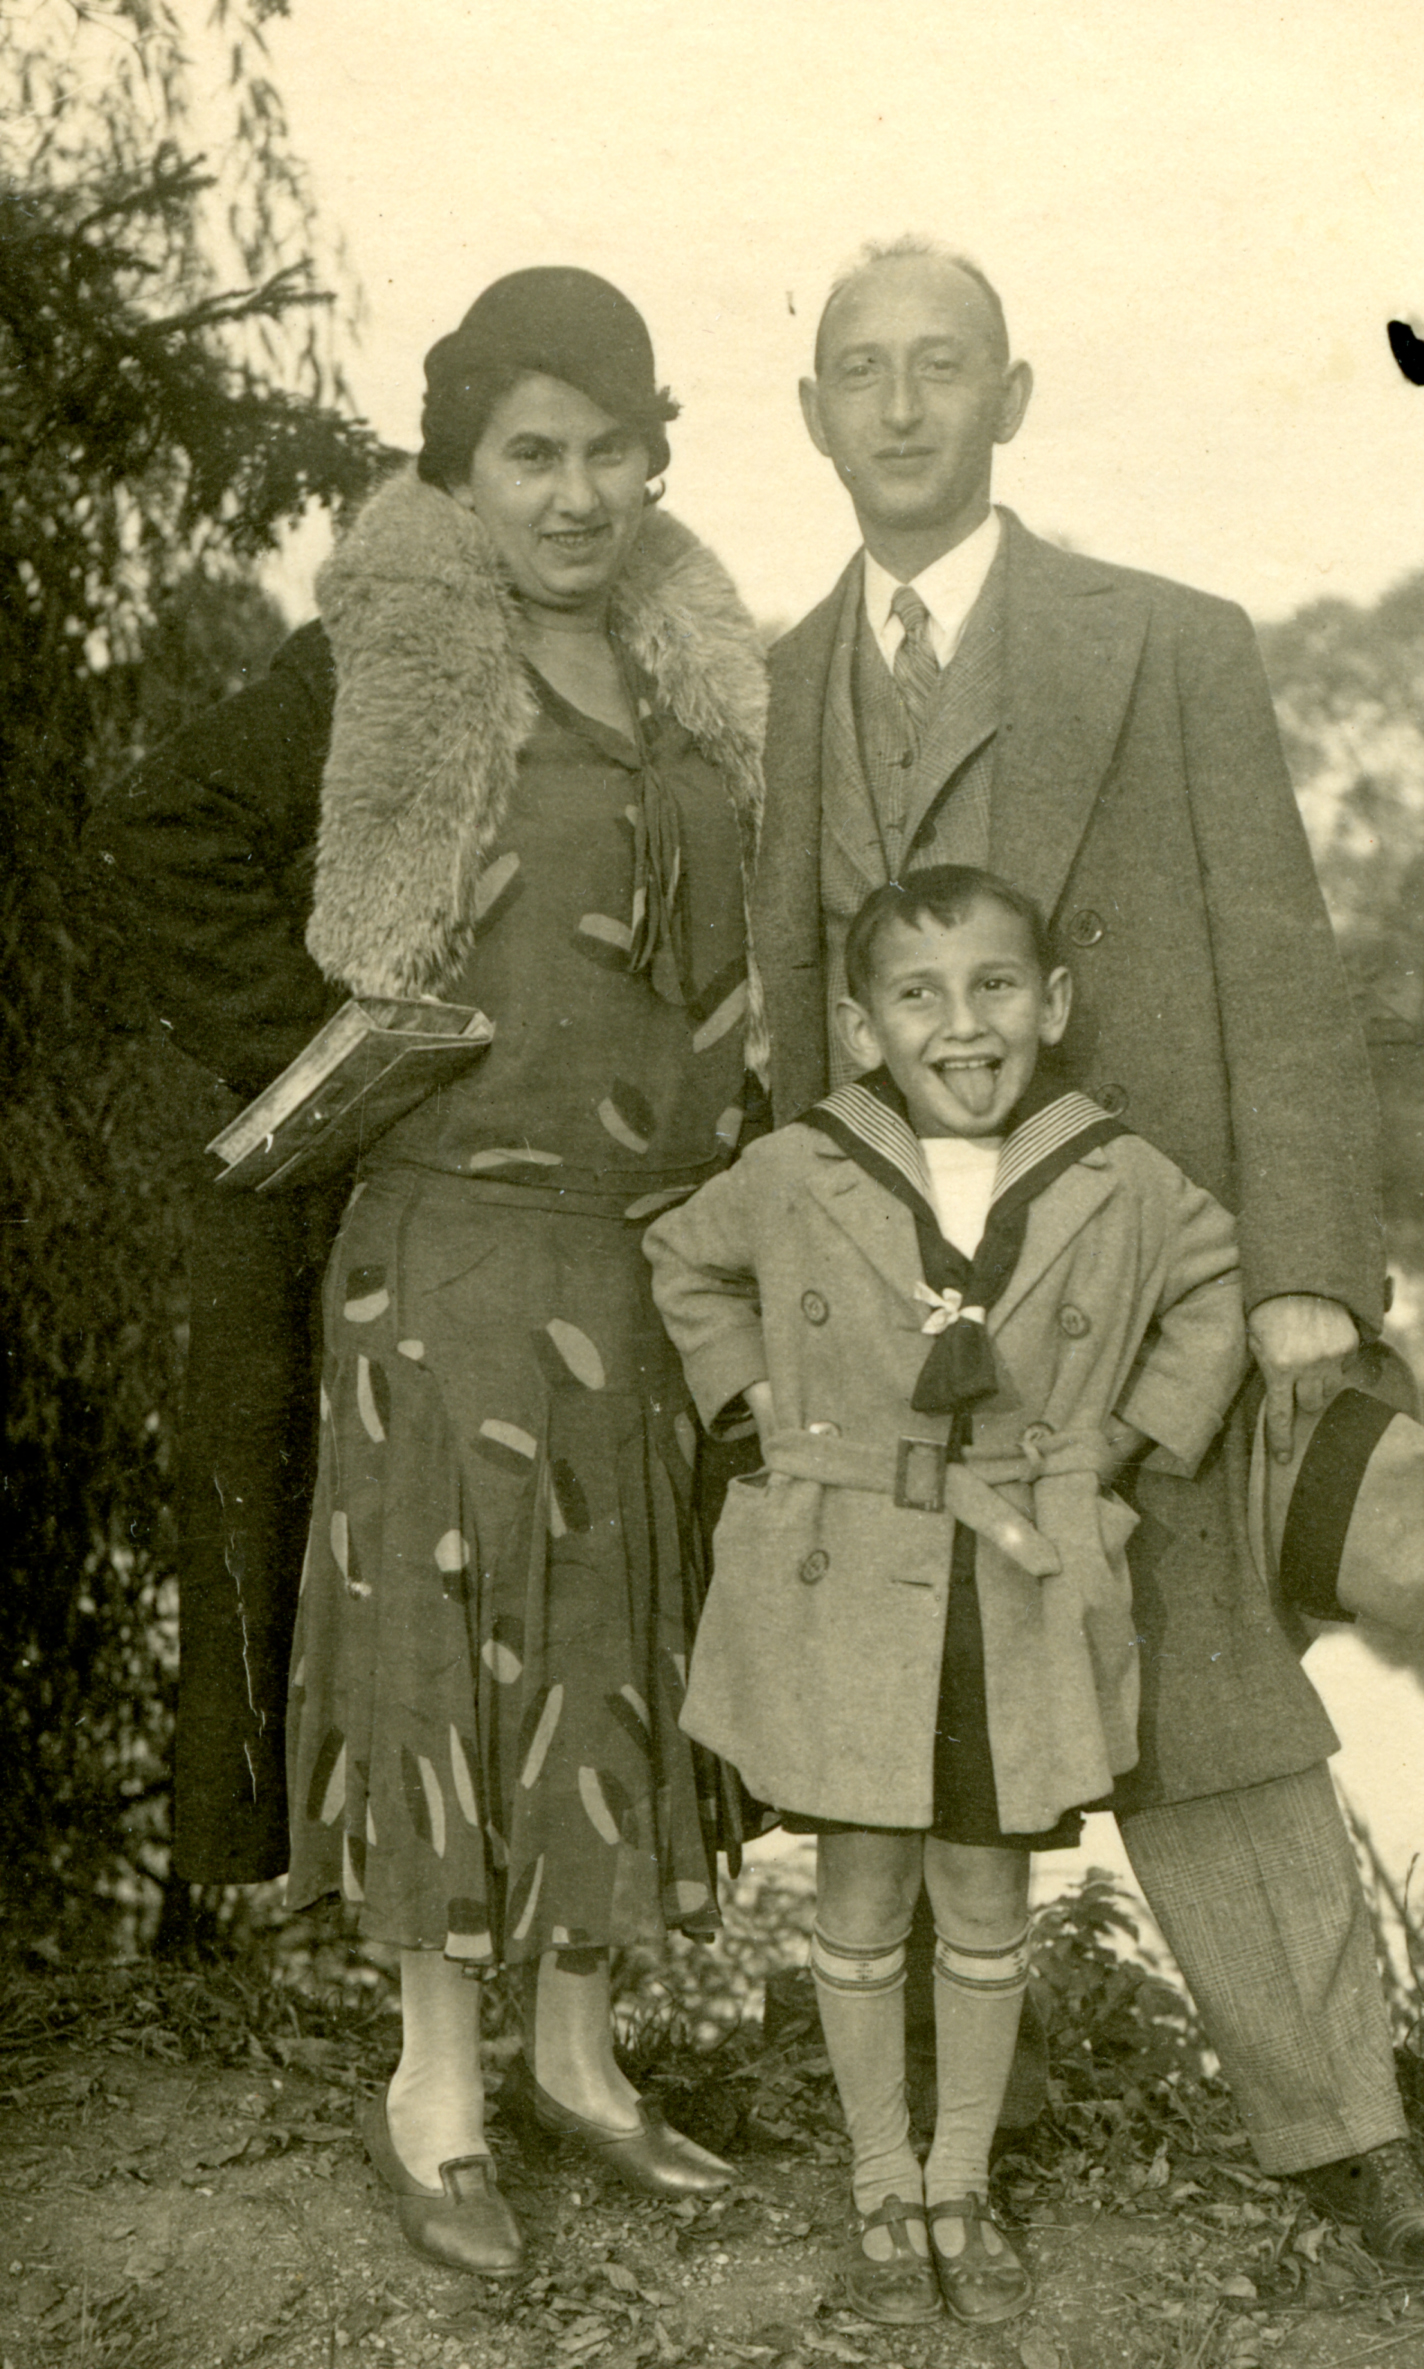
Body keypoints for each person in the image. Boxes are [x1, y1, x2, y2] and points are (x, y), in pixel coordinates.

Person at [748, 236, 1424, 2272]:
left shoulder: (1165, 644)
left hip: (1142, 1271)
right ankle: (931, 2153)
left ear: (1010, 398)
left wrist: (1306, 1268)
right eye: (860, 370)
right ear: (811, 415)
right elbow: (794, 1021)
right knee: (898, 1707)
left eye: (942, 365)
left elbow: (1283, 967)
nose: (901, 405)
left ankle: (1347, 2139)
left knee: (1212, 1697)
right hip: (901, 1311)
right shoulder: (785, 684)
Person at [90, 268, 768, 2275]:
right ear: (459, 473)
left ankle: (577, 2060)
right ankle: (437, 2089)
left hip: (649, 1255)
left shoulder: (698, 679)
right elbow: (153, 839)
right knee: (441, 1645)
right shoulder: (385, 656)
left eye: (612, 450)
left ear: (655, 458)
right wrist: (334, 1045)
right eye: (529, 455)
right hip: (449, 1241)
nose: (576, 495)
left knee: (613, 1641)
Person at [647, 866, 1248, 2325]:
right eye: (918, 996)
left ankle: (958, 2180)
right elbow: (684, 1259)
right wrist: (758, 1409)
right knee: (860, 1879)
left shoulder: (1116, 1171)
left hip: (1020, 1579)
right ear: (864, 1030)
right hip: (849, 1567)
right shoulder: (802, 1166)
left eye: (994, 988)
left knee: (984, 1884)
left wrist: (1118, 1444)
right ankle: (879, 2179)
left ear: (1052, 1003)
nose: (960, 1025)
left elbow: (1214, 1284)